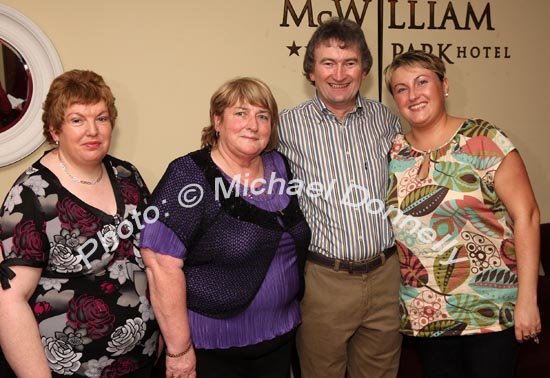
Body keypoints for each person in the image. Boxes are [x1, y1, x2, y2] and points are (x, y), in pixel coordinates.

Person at [383, 50, 541, 378]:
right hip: (426, 314)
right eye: (401, 88)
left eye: (422, 82)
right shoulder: (394, 151)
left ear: (445, 85)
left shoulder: (485, 141)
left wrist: (527, 300)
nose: (413, 95)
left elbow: (526, 215)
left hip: (490, 310)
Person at [141, 77, 311, 378]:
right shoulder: (189, 175)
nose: (253, 124)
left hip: (280, 337)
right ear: (217, 121)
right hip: (215, 350)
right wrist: (178, 352)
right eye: (241, 113)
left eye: (263, 116)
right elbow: (160, 265)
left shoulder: (280, 166)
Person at [0, 70, 160, 377]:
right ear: (55, 129)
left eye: (101, 118)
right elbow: (10, 300)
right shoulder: (30, 196)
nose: (93, 130)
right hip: (71, 370)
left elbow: (152, 257)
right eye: (77, 120)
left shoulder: (128, 176)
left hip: (141, 360)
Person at [278, 17, 402, 378]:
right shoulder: (286, 125)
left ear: (364, 69)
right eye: (327, 63)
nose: (339, 73)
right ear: (311, 71)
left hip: (386, 277)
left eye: (349, 62)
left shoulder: (386, 119)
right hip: (323, 281)